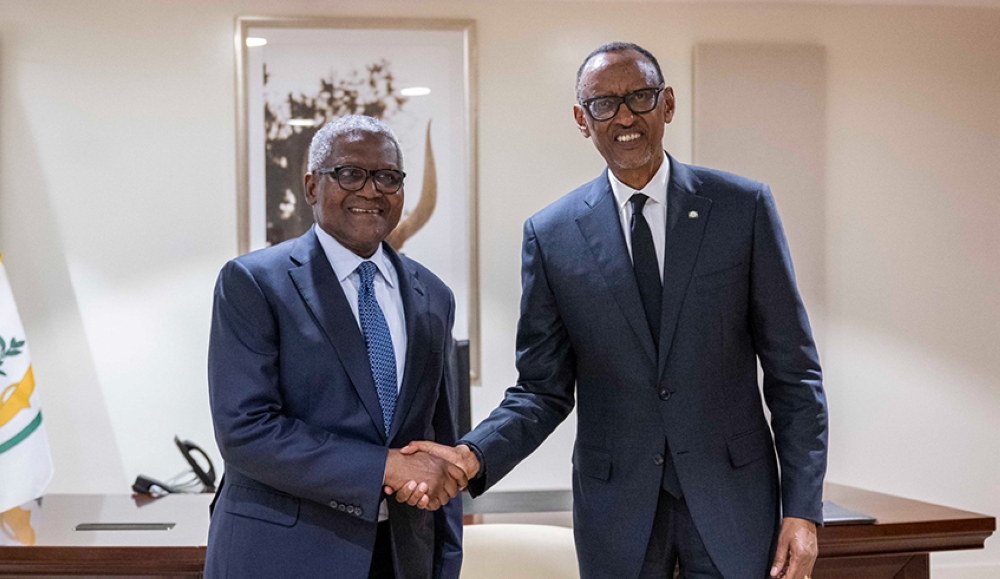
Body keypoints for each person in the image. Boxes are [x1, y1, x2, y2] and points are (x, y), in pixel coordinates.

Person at [401, 43, 828, 579]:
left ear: (667, 104)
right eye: (604, 104)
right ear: (582, 120)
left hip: (734, 502)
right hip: (618, 514)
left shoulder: (742, 209)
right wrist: (471, 455)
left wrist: (803, 510)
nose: (624, 116)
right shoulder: (552, 236)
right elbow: (541, 389)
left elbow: (795, 374)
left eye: (640, 97)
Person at [204, 115, 466, 579]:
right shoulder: (253, 284)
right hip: (282, 557)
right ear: (311, 186)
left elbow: (438, 437)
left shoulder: (434, 296)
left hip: (401, 557)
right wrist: (384, 467)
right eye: (350, 173)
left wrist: (444, 560)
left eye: (388, 177)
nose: (371, 190)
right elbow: (246, 431)